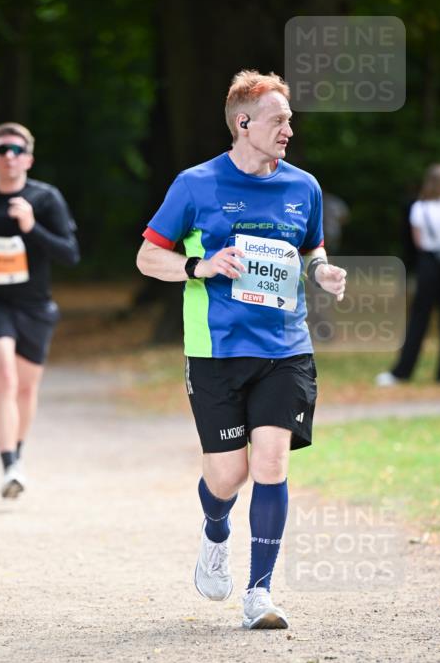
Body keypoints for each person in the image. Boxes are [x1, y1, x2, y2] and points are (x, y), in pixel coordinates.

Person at [136, 69, 346, 630]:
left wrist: (322, 272)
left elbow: (312, 250)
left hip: (286, 348)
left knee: (271, 462)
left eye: (290, 120)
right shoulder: (195, 184)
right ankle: (214, 532)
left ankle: (260, 593)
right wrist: (197, 266)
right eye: (279, 120)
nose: (288, 130)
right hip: (216, 352)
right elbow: (146, 257)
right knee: (228, 476)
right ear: (244, 122)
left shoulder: (304, 187)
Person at [0, 122, 80, 499]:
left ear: (29, 158)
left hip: (34, 305)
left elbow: (70, 254)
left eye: (17, 150)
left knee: (26, 388)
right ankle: (8, 464)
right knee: (5, 377)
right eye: (2, 150)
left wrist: (30, 226)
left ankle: (18, 456)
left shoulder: (45, 199)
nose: (10, 157)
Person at [376, 164, 440, 386]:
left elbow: (419, 242)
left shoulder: (420, 208)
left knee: (419, 319)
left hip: (430, 265)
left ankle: (402, 372)